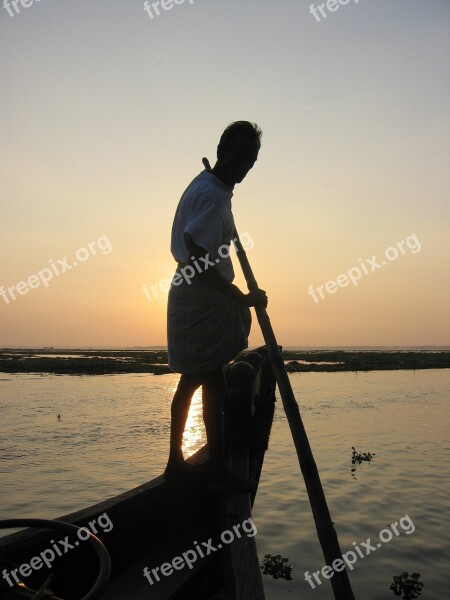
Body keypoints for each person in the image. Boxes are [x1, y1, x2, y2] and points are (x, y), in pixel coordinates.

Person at [165, 121, 268, 491]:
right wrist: (241, 298)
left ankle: (179, 463)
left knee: (194, 379)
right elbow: (196, 258)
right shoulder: (211, 194)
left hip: (197, 296)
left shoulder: (214, 187)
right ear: (222, 150)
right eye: (239, 155)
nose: (244, 165)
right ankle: (213, 471)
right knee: (209, 383)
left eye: (251, 159)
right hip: (200, 299)